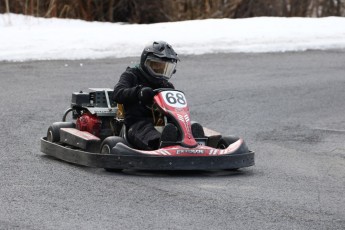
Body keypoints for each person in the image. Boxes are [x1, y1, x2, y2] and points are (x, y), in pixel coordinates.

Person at [112, 41, 179, 150]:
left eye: (165, 68)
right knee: (147, 131)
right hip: (136, 124)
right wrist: (139, 92)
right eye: (157, 66)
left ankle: (191, 140)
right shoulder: (131, 75)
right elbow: (117, 93)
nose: (161, 71)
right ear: (146, 63)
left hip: (162, 124)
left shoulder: (167, 86)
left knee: (179, 127)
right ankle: (161, 144)